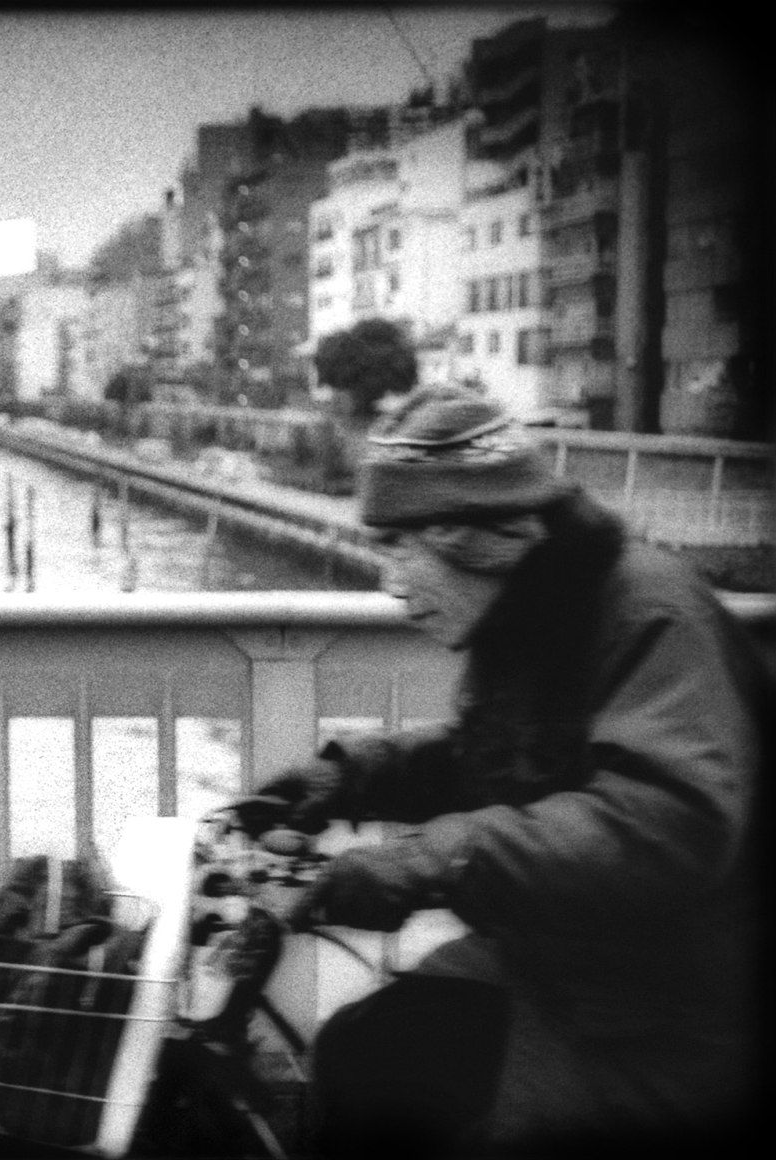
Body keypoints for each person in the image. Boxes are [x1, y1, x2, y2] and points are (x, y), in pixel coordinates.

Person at [241, 386, 767, 1159]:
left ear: (469, 535)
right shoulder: (534, 616)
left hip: (676, 1008)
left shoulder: (651, 614)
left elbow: (663, 824)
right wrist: (347, 777)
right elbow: (495, 760)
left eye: (397, 548)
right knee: (361, 1056)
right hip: (570, 963)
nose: (388, 586)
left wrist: (422, 862)